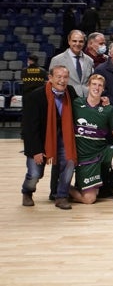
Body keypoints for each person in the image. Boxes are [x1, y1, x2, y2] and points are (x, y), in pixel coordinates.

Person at [69, 74, 113, 205]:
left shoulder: (108, 109)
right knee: (89, 199)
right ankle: (63, 188)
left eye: (100, 85)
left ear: (103, 89)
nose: (96, 88)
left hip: (102, 152)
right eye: (94, 84)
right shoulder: (77, 104)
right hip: (85, 158)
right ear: (88, 86)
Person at [21, 66, 77, 210]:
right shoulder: (35, 96)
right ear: (50, 78)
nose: (62, 80)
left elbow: (82, 108)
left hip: (63, 138)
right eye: (58, 76)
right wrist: (36, 150)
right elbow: (29, 127)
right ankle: (27, 192)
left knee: (69, 162)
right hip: (40, 140)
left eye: (65, 77)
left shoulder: (70, 92)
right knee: (35, 174)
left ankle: (61, 196)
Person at [49, 29, 93, 97]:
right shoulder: (57, 60)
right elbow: (51, 83)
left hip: (86, 100)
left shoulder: (89, 60)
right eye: (74, 41)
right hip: (66, 99)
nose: (77, 44)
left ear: (84, 43)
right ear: (69, 41)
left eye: (81, 41)